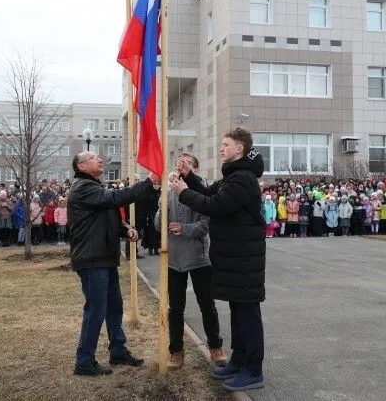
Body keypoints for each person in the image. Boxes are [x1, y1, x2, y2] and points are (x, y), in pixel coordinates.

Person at [172, 127, 265, 392]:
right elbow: (210, 192)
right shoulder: (233, 176)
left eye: (226, 144)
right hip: (236, 257)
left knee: (247, 313)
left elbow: (215, 206)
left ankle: (253, 369)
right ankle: (239, 360)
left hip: (244, 258)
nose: (222, 148)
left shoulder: (243, 179)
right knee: (238, 312)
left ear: (240, 149)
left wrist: (182, 192)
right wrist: (189, 178)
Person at [68, 151, 159, 377]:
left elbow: (107, 215)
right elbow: (114, 200)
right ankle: (84, 361)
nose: (100, 159)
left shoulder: (95, 187)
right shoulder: (82, 187)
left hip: (104, 257)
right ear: (81, 166)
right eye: (93, 157)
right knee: (96, 310)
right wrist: (148, 182)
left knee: (114, 306)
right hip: (92, 259)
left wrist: (125, 229)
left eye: (100, 156)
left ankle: (117, 350)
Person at [155, 155, 227, 369]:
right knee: (175, 308)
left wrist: (185, 229)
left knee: (207, 305)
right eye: (179, 164)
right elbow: (159, 226)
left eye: (187, 164)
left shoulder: (203, 193)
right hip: (174, 259)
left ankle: (215, 347)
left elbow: (206, 225)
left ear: (194, 170)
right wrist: (161, 208)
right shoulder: (168, 193)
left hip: (199, 258)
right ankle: (176, 352)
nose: (181, 167)